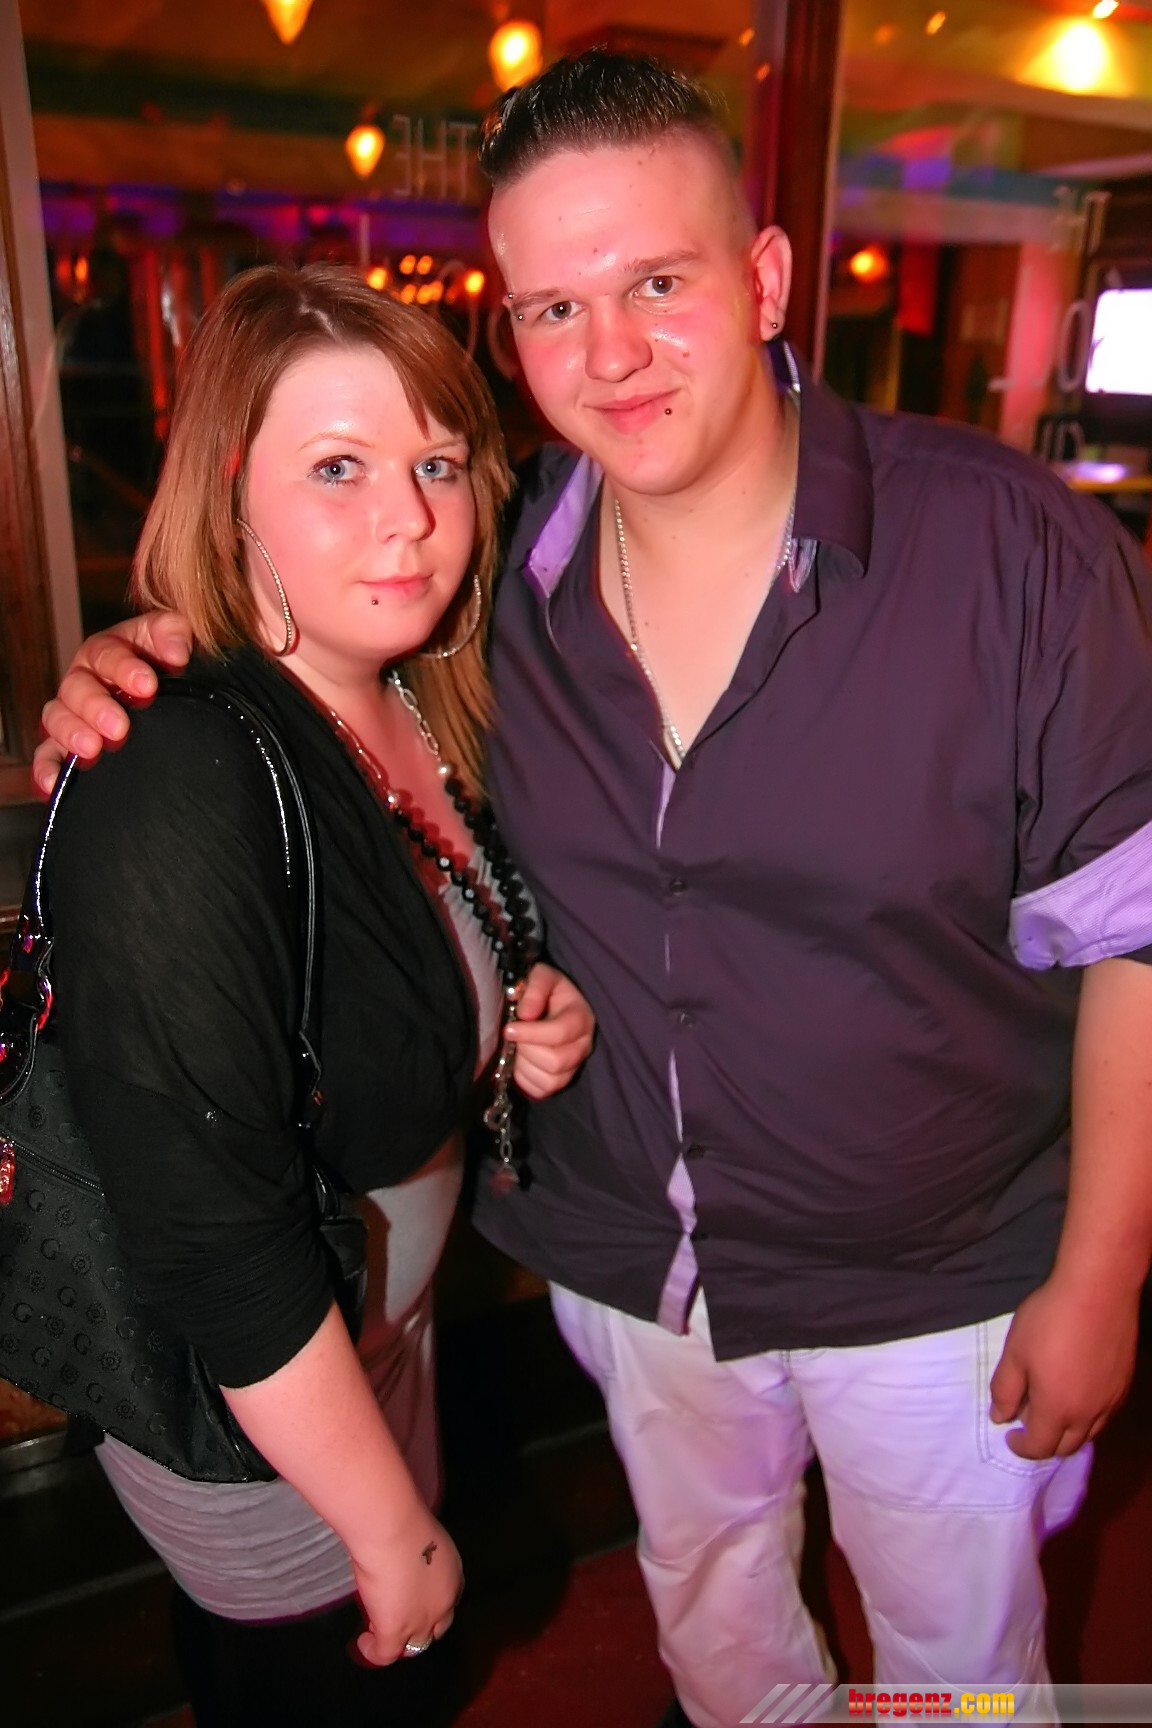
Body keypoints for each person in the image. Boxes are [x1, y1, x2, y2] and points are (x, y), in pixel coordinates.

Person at [35, 53, 1152, 1728]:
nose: (609, 353)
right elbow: (311, 596)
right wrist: (144, 655)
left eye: (657, 283)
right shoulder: (489, 571)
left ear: (763, 279)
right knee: (719, 1635)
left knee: (968, 1681)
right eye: (555, 307)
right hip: (634, 1271)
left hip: (936, 1287)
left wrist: (1102, 1274)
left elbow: (1134, 937)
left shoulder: (1014, 550)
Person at [26, 261, 594, 1728]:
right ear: (232, 491)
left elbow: (394, 976)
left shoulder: (407, 696)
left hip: (388, 1338)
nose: (408, 518)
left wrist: (520, 1020)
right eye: (338, 467)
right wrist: (385, 1524)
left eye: (437, 464)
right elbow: (211, 1231)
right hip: (268, 1413)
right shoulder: (177, 766)